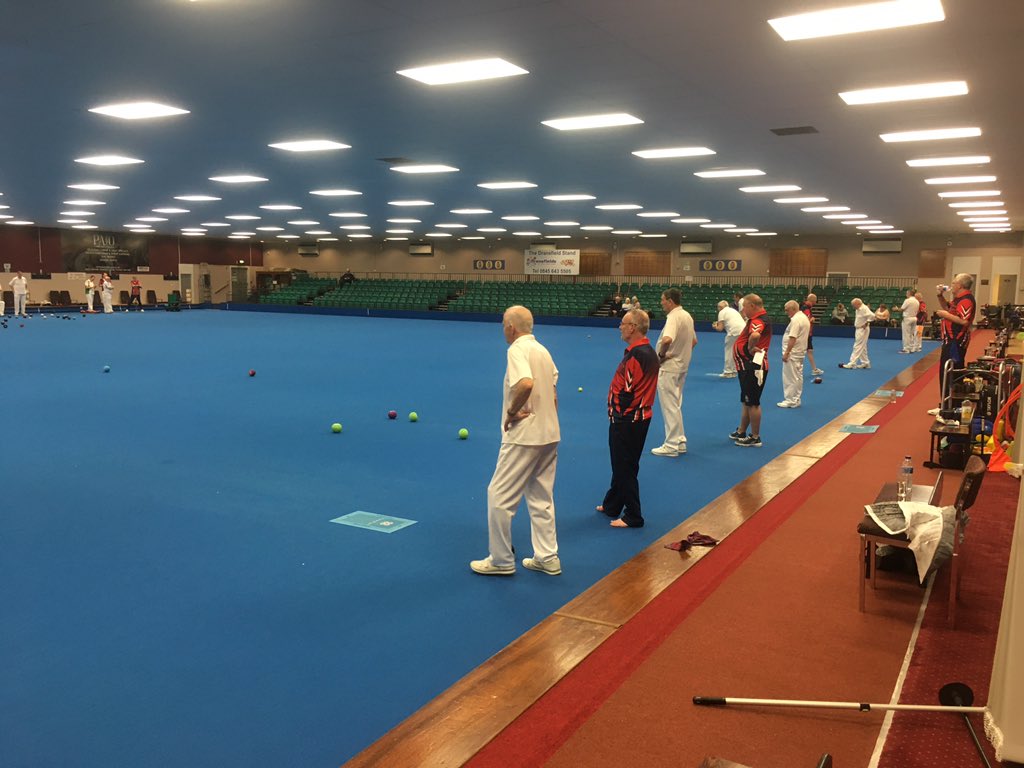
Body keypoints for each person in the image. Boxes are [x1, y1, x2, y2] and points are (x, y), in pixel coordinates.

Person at [470, 306, 562, 576]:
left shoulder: (517, 350)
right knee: (541, 497)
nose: (503, 330)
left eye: (503, 325)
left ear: (511, 327)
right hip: (549, 434)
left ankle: (500, 560)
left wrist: (512, 413)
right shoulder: (543, 350)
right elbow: (553, 392)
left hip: (524, 436)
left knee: (498, 495)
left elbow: (525, 383)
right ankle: (547, 556)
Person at [597, 309, 659, 528]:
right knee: (622, 463)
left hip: (628, 420)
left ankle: (633, 514)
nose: (620, 327)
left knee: (625, 465)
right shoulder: (645, 351)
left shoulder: (638, 355)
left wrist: (617, 412)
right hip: (636, 418)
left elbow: (628, 391)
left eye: (623, 323)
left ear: (633, 327)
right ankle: (613, 504)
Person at [651, 288, 696, 457]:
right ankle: (680, 440)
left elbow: (667, 339)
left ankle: (671, 445)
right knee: (675, 405)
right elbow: (694, 341)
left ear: (670, 301)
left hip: (669, 368)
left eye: (663, 300)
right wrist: (682, 354)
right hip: (682, 367)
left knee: (669, 406)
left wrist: (661, 355)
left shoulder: (673, 317)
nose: (661, 303)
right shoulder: (687, 316)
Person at [730, 294, 771, 447]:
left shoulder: (758, 320)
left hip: (753, 367)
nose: (743, 311)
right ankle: (742, 431)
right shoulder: (760, 318)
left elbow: (755, 334)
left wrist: (749, 347)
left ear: (752, 306)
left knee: (752, 402)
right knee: (746, 401)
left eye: (745, 307)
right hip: (747, 367)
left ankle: (755, 436)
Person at [935, 274, 977, 400]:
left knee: (952, 372)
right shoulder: (958, 299)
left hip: (956, 340)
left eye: (953, 283)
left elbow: (964, 321)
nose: (951, 286)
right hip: (950, 339)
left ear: (960, 285)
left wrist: (945, 315)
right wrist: (939, 295)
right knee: (946, 371)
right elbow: (948, 308)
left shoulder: (966, 300)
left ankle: (952, 404)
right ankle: (946, 402)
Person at [778, 300, 810, 408]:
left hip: (793, 353)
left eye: (787, 310)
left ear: (794, 308)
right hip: (799, 352)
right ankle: (796, 399)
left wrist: (787, 353)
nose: (786, 312)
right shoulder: (804, 317)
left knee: (790, 377)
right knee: (798, 376)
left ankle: (790, 400)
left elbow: (793, 337)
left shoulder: (796, 320)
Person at [714, 300, 745, 378]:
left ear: (720, 307)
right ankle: (734, 370)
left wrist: (715, 327)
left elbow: (720, 328)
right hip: (743, 331)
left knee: (729, 351)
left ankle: (728, 372)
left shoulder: (722, 312)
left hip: (734, 332)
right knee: (735, 351)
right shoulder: (733, 310)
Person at [840, 298, 873, 369]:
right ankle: (865, 363)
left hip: (862, 329)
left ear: (858, 303)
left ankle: (852, 363)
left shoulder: (864, 308)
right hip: (859, 329)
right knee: (863, 347)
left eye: (853, 305)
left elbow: (872, 316)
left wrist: (867, 322)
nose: (853, 307)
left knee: (857, 346)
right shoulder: (859, 309)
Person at [801, 293, 824, 376]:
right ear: (813, 300)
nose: (815, 303)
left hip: (807, 333)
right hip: (806, 333)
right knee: (803, 351)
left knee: (809, 351)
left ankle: (814, 369)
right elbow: (806, 320)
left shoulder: (804, 306)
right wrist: (812, 319)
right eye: (815, 301)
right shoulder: (806, 308)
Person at [899, 288, 920, 353]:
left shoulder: (907, 300)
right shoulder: (917, 301)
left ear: (909, 293)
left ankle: (906, 349)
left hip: (907, 318)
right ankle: (911, 347)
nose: (906, 294)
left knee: (906, 334)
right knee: (911, 334)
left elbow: (902, 309)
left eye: (907, 293)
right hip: (914, 318)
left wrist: (896, 309)